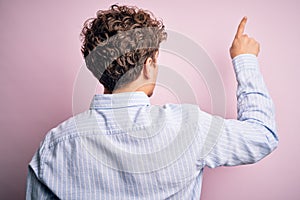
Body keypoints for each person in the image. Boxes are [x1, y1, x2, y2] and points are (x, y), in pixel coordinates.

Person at [26, 4, 278, 200]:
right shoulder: (189, 127)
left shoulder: (54, 146)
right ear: (149, 65)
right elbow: (263, 135)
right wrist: (245, 59)